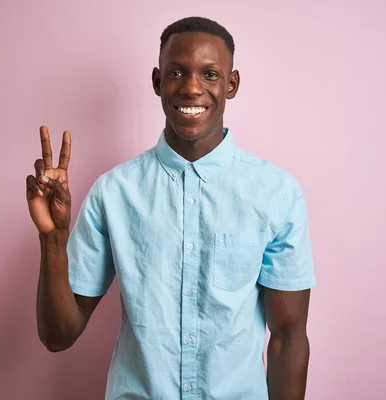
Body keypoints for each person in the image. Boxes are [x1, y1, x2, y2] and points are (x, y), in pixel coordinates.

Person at [26, 16, 316, 400]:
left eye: (210, 74)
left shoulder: (275, 193)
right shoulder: (113, 193)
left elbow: (288, 339)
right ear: (157, 81)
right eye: (177, 72)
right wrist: (53, 240)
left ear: (232, 85)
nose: (192, 88)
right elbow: (58, 336)